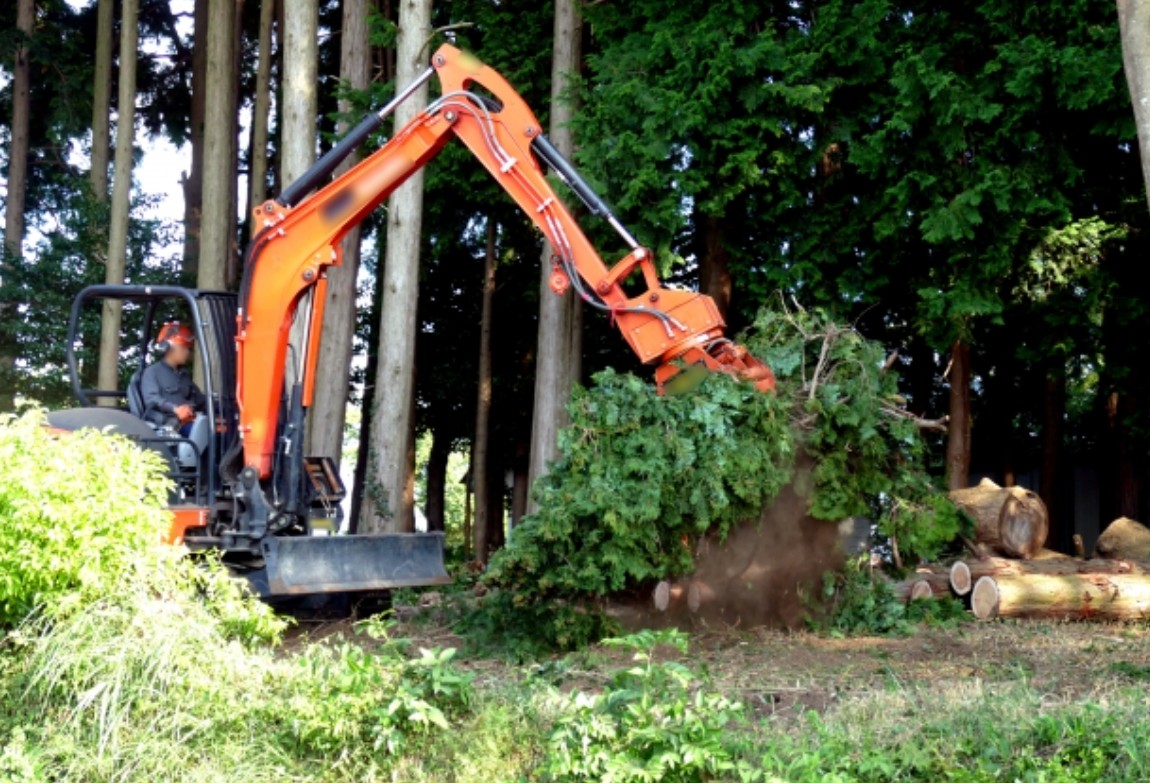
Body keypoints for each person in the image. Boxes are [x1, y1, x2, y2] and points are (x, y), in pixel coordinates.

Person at [140, 321, 206, 435]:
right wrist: (176, 409)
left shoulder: (184, 375)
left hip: (190, 422)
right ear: (169, 348)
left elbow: (201, 400)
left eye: (188, 348)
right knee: (207, 434)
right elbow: (151, 399)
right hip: (170, 427)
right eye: (184, 348)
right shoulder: (152, 373)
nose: (187, 352)